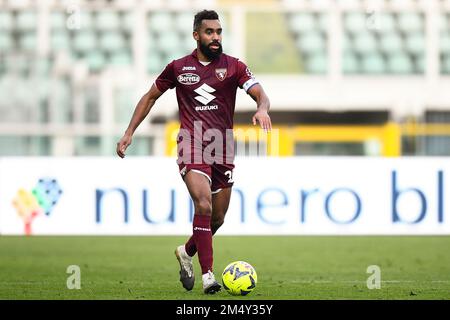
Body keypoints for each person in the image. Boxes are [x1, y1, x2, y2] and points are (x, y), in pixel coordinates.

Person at [116, 9, 271, 294]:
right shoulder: (178, 68)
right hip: (191, 143)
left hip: (222, 146)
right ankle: (209, 275)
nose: (215, 37)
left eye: (219, 32)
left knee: (217, 218)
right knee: (203, 204)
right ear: (196, 35)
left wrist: (261, 108)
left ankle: (187, 252)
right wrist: (129, 132)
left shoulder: (234, 66)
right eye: (209, 32)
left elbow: (260, 92)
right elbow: (150, 97)